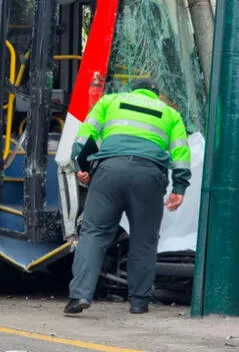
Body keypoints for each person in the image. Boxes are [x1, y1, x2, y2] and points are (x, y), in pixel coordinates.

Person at [64, 79, 191, 315]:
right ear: (156, 95)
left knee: (94, 233)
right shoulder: (170, 113)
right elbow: (181, 153)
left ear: (132, 90)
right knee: (144, 240)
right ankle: (139, 303)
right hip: (149, 176)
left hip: (108, 172)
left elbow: (84, 136)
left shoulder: (110, 101)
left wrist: (82, 166)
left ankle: (79, 295)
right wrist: (179, 188)